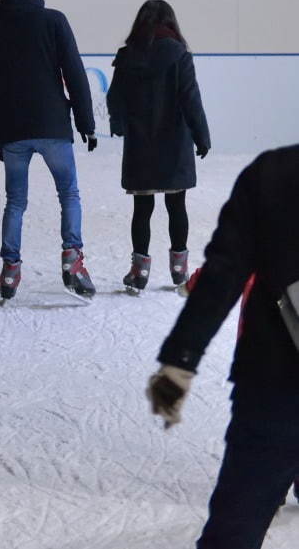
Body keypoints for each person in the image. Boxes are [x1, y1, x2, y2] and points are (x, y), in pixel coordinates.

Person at [148, 145, 299, 548]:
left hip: (272, 382)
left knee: (235, 531)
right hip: (271, 384)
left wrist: (179, 361)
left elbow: (222, 277)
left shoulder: (274, 174)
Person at [0, 0, 97, 301]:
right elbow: (74, 73)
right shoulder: (54, 21)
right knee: (68, 193)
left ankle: (10, 269)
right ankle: (72, 260)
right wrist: (86, 123)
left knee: (15, 201)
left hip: (12, 129)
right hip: (52, 124)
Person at [106, 0, 211, 295]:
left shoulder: (127, 56)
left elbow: (114, 97)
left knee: (142, 207)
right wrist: (201, 136)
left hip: (141, 142)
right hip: (175, 141)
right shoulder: (179, 54)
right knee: (177, 205)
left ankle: (139, 272)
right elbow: (191, 98)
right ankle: (179, 269)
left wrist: (119, 124)